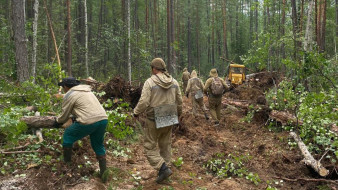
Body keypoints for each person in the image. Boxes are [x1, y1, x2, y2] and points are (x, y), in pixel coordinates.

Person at [133, 58, 183, 183]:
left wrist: (136, 112)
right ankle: (165, 171)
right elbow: (180, 102)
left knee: (149, 147)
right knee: (165, 145)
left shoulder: (150, 82)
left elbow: (144, 101)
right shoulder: (175, 82)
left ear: (154, 69)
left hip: (153, 118)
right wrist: (178, 115)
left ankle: (163, 169)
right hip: (170, 116)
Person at [53, 77, 108, 177]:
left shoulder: (69, 95)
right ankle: (104, 173)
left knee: (68, 135)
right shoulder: (87, 91)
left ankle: (67, 165)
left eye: (63, 86)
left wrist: (57, 121)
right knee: (98, 145)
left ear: (65, 86)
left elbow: (64, 114)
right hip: (103, 119)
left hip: (88, 121)